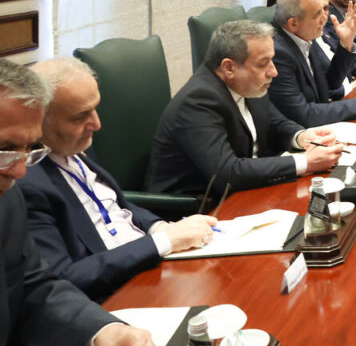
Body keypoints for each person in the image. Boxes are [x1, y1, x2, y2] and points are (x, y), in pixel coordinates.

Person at [0, 60, 166, 346]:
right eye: (4, 150)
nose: (19, 172)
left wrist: (101, 331)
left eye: (28, 150)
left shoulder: (7, 198)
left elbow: (34, 288)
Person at [18, 59, 217, 302]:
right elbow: (64, 279)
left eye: (95, 108)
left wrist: (160, 227)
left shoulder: (71, 142)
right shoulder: (26, 183)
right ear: (39, 120)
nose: (97, 124)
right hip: (116, 293)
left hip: (148, 263)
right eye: (80, 117)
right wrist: (163, 242)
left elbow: (114, 203)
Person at [145, 20, 347, 197]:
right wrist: (305, 162)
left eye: (272, 60)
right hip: (195, 210)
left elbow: (275, 123)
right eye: (263, 63)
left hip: (246, 193)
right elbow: (226, 172)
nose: (273, 72)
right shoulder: (198, 101)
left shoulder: (248, 85)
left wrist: (302, 137)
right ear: (229, 67)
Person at [268, 0, 356, 125]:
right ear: (293, 23)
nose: (325, 17)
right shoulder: (276, 53)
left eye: (326, 9)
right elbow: (302, 115)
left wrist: (346, 43)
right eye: (318, 13)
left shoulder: (306, 36)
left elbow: (329, 84)